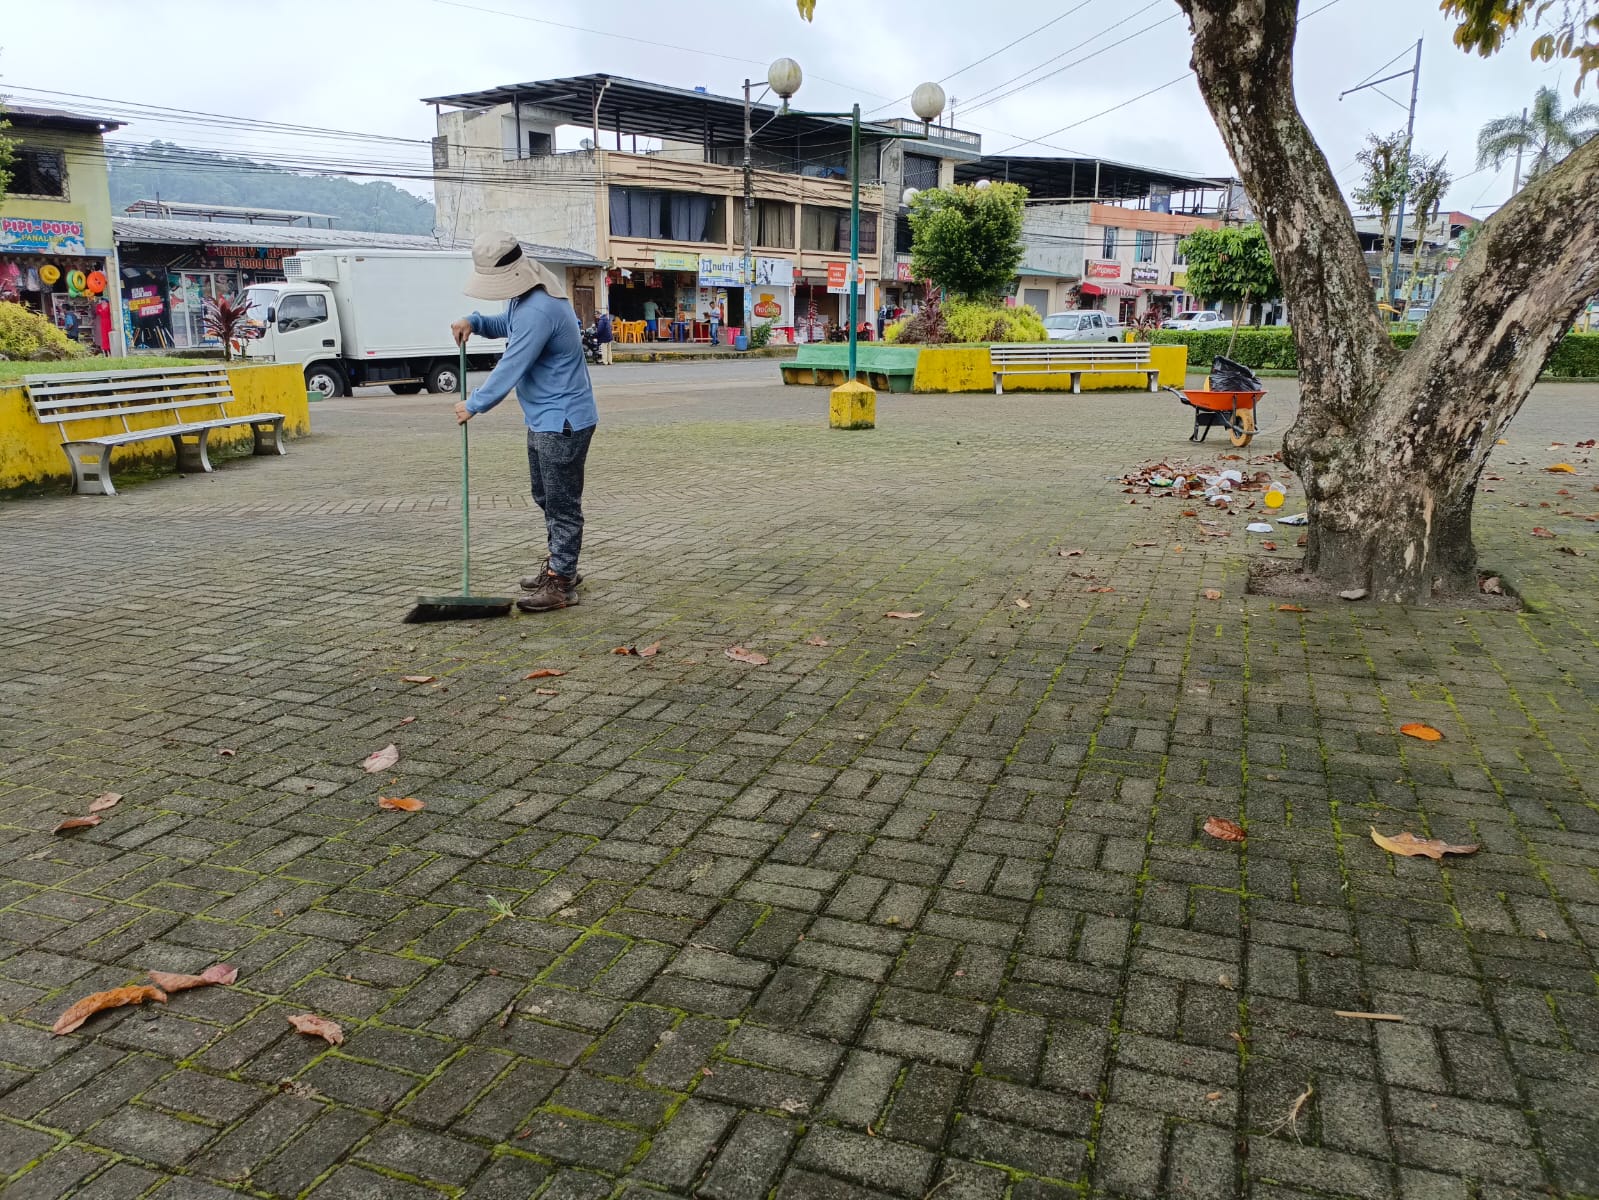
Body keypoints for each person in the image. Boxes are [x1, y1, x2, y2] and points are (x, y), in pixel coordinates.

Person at [450, 230, 598, 614]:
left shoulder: (538, 309)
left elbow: (512, 363)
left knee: (562, 504)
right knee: (545, 495)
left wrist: (475, 403)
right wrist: (475, 321)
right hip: (544, 418)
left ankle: (561, 581)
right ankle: (561, 564)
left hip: (562, 420)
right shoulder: (525, 299)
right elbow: (508, 324)